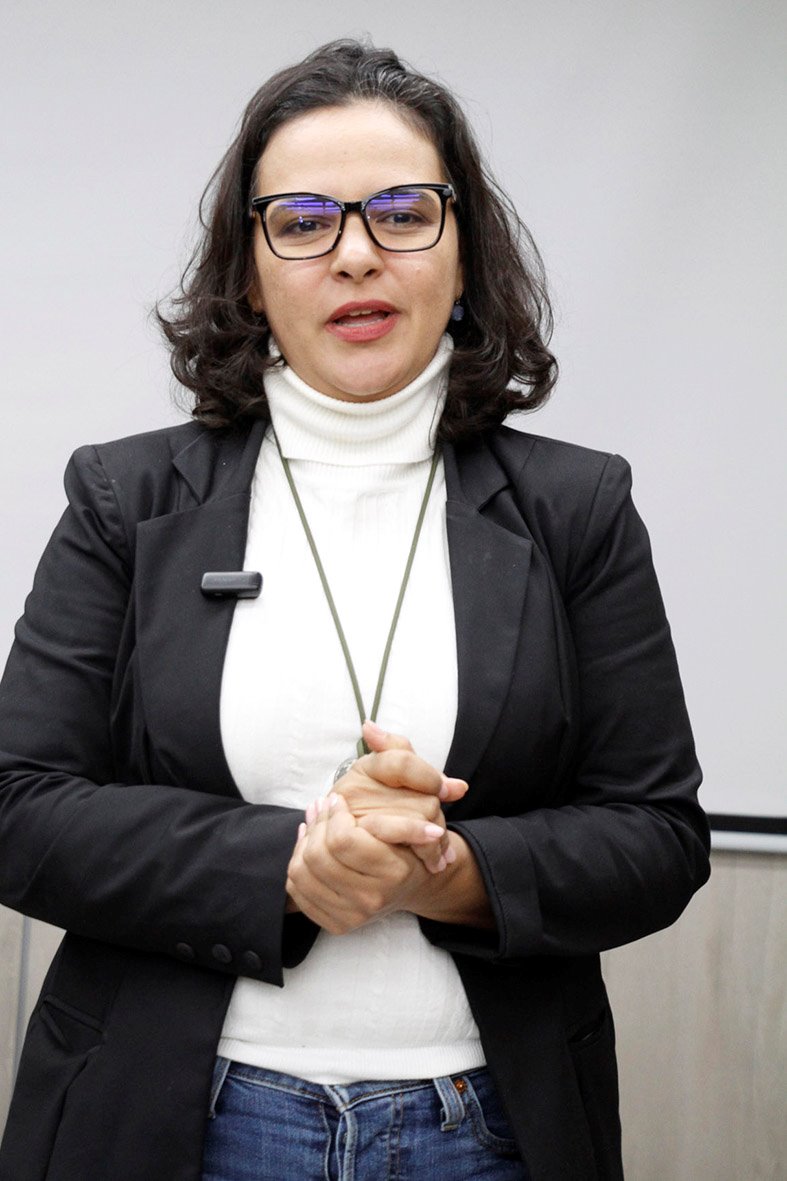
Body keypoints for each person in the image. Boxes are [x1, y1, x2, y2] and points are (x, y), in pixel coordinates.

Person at [0, 38, 710, 1181]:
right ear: (248, 272)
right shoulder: (128, 498)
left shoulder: (576, 508)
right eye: (302, 222)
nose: (356, 254)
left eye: (402, 212)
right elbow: (19, 807)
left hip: (485, 1127)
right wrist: (290, 865)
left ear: (464, 252)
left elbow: (656, 836)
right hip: (174, 1115)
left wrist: (447, 870)